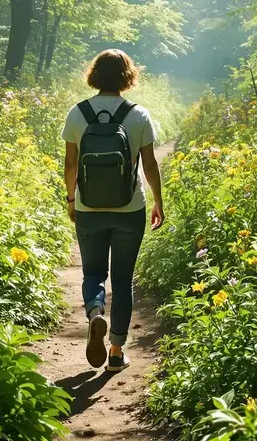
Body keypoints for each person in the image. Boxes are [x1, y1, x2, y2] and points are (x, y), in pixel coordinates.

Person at [61, 49, 164, 373]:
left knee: (92, 273)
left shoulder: (77, 113)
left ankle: (95, 312)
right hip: (129, 208)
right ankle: (116, 352)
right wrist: (158, 201)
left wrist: (71, 200)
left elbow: (70, 165)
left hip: (89, 207)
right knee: (122, 280)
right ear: (127, 77)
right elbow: (149, 165)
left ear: (94, 75)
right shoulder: (139, 114)